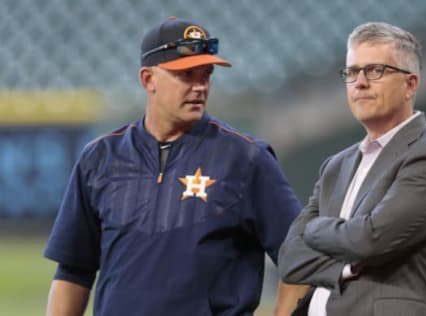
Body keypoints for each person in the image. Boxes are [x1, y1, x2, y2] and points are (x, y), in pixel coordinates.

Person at [44, 17, 309, 316]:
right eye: (186, 75)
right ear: (148, 79)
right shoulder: (100, 158)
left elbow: (301, 260)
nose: (199, 87)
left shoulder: (246, 158)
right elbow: (73, 272)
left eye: (206, 74)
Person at [278, 21, 426, 316]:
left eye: (376, 70)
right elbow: (289, 257)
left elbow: (369, 239)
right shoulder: (336, 166)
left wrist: (314, 229)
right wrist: (345, 265)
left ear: (410, 84)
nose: (360, 82)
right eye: (352, 72)